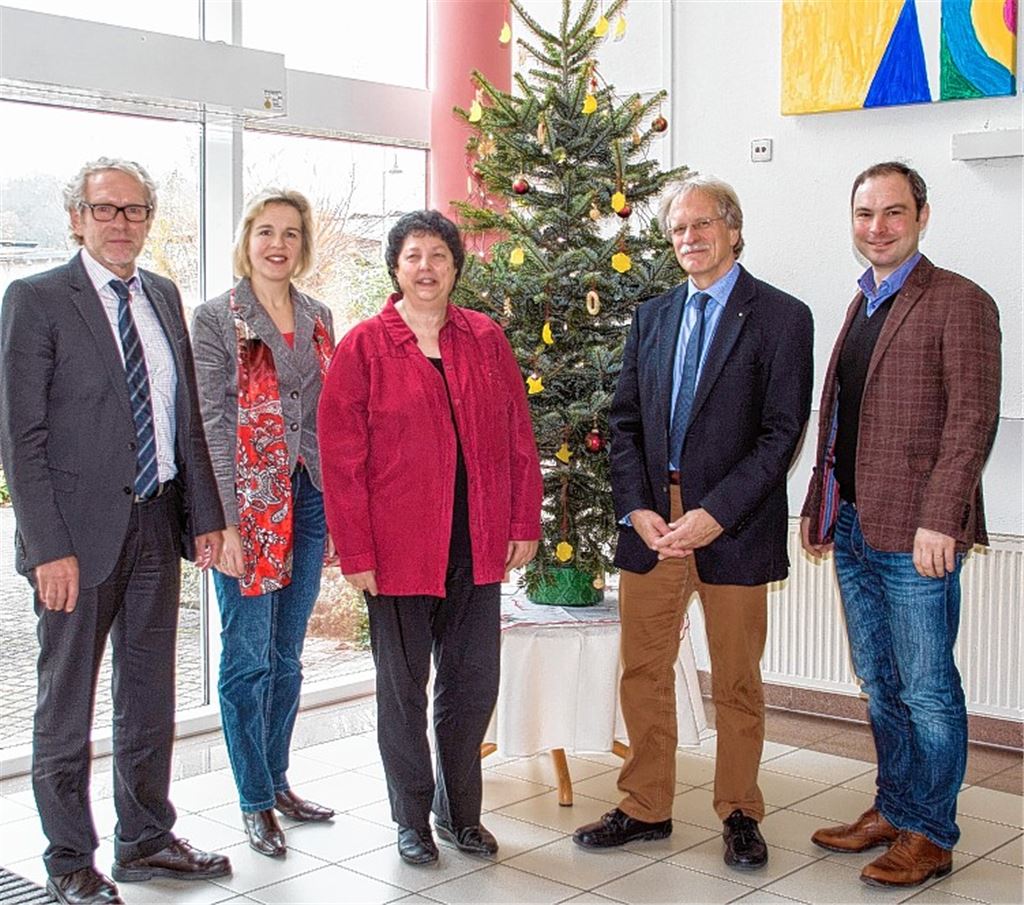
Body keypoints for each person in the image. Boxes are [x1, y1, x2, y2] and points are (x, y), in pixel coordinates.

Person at [0, 158, 231, 905]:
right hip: (74, 539)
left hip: (155, 526)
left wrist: (204, 518)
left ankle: (145, 837)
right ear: (77, 217)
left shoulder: (163, 294)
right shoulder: (35, 300)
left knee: (149, 693)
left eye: (134, 210)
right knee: (65, 703)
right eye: (106, 209)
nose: (121, 222)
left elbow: (184, 419)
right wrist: (46, 547)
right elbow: (19, 438)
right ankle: (69, 855)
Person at [573, 174, 814, 871]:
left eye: (702, 225)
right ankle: (646, 805)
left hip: (731, 523)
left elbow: (781, 432)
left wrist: (715, 513)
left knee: (736, 677)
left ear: (733, 229)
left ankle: (740, 810)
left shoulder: (780, 316)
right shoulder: (651, 317)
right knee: (644, 669)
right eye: (678, 229)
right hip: (653, 522)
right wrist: (637, 506)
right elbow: (622, 422)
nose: (689, 239)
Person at [318, 210, 542, 865]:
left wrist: (522, 520)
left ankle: (459, 812)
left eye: (438, 256)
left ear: (454, 267)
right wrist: (355, 552)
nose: (426, 267)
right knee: (403, 689)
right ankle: (411, 817)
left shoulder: (486, 339)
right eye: (413, 255)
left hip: (475, 544)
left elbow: (517, 439)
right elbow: (341, 457)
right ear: (396, 268)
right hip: (395, 552)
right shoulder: (364, 346)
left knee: (470, 685)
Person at [801, 161, 1001, 888]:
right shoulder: (864, 302)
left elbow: (971, 421)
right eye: (864, 214)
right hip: (855, 524)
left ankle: (932, 832)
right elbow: (841, 421)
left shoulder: (958, 301)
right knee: (880, 682)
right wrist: (821, 507)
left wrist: (941, 518)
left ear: (921, 214)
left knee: (926, 689)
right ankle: (895, 806)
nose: (876, 227)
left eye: (891, 212)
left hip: (918, 534)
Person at [191, 189, 337, 858]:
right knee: (246, 658)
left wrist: (336, 508)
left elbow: (328, 413)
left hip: (308, 499)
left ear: (302, 245)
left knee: (286, 655)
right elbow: (213, 423)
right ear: (247, 240)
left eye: (290, 233)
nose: (278, 243)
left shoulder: (317, 316)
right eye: (265, 231)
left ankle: (278, 781)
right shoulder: (216, 318)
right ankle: (253, 800)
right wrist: (221, 522)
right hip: (247, 507)